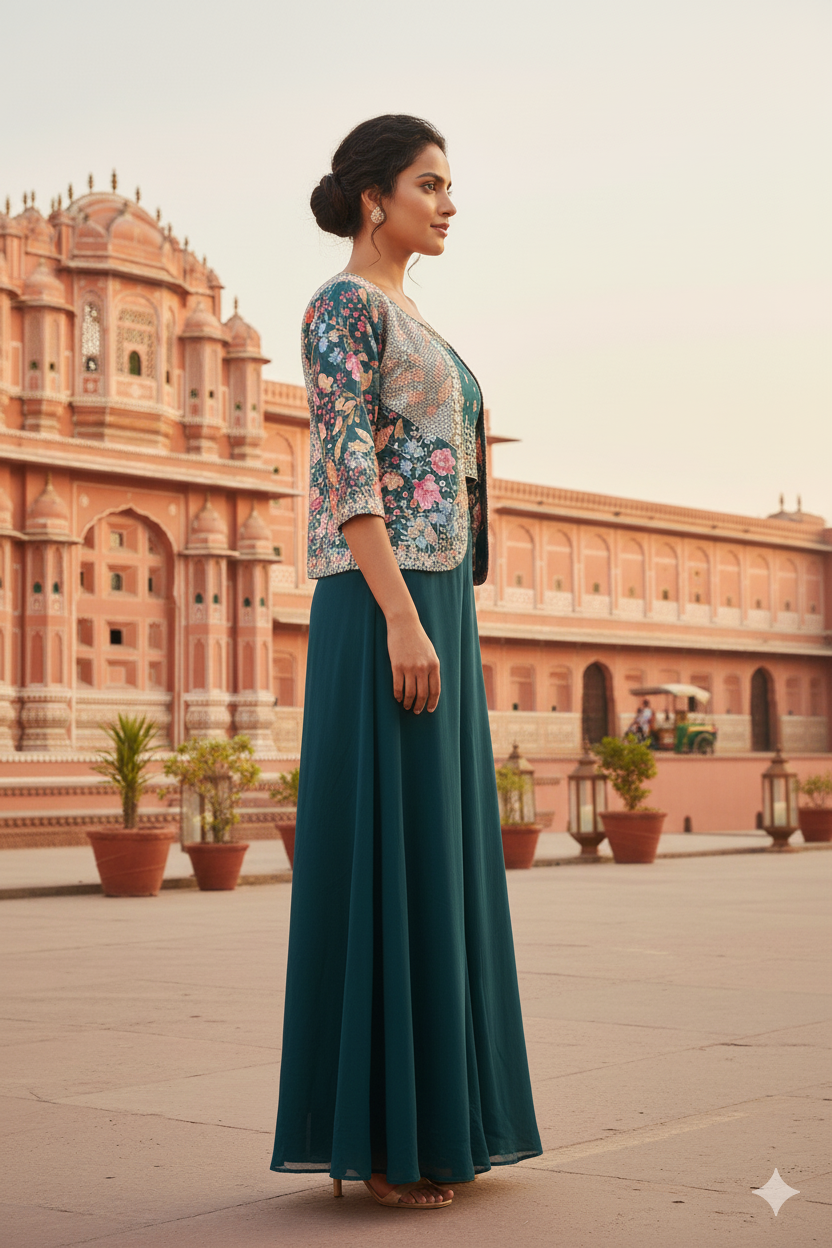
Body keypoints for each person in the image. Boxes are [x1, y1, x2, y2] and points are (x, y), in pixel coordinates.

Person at [270, 115, 542, 1210]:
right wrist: (397, 616)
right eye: (430, 184)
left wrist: (436, 608)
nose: (449, 203)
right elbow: (345, 469)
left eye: (449, 185)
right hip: (382, 600)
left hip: (436, 598)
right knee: (384, 847)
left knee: (436, 850)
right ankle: (382, 1139)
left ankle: (440, 1120)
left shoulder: (412, 313)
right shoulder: (341, 306)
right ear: (373, 197)